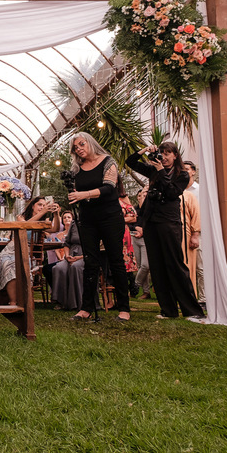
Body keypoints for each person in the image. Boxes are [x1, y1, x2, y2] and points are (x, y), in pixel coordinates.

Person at [126, 142, 204, 321]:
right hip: (151, 222)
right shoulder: (153, 170)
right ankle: (168, 310)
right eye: (162, 153)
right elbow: (131, 162)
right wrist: (145, 150)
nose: (165, 157)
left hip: (169, 222)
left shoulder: (182, 174)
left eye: (168, 153)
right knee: (157, 266)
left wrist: (161, 171)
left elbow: (171, 193)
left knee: (175, 264)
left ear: (175, 155)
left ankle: (192, 310)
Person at [65, 132, 127, 322]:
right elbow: (76, 191)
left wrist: (84, 195)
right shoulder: (77, 168)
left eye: (81, 144)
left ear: (90, 142)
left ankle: (124, 309)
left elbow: (109, 188)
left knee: (116, 260)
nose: (79, 149)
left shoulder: (108, 161)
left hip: (110, 217)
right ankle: (86, 308)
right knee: (90, 263)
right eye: (75, 147)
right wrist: (73, 194)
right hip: (88, 219)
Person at [0, 197, 61, 305]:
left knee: (18, 266)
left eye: (44, 205)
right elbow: (25, 226)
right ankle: (13, 302)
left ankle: (21, 301)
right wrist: (43, 211)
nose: (42, 207)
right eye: (40, 205)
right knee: (8, 264)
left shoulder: (42, 223)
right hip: (11, 250)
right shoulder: (21, 217)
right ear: (33, 206)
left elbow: (55, 229)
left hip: (27, 253)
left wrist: (56, 214)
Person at [49, 210, 85, 311]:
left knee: (75, 267)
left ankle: (77, 303)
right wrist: (67, 255)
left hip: (85, 256)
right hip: (71, 254)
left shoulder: (93, 224)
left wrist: (79, 257)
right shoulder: (74, 224)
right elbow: (67, 243)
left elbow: (96, 247)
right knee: (58, 268)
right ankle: (61, 302)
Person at [182, 161, 204, 303]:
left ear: (193, 171)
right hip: (183, 233)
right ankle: (189, 298)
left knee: (200, 267)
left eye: (187, 169)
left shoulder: (200, 190)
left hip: (198, 232)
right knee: (185, 266)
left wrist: (196, 233)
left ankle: (203, 299)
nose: (184, 171)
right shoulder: (178, 189)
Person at [131, 186, 151, 299]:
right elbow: (129, 223)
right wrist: (136, 228)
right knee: (139, 266)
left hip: (145, 239)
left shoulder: (149, 209)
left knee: (145, 265)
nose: (141, 197)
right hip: (135, 238)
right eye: (139, 195)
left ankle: (135, 285)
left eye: (143, 195)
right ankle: (146, 292)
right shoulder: (134, 209)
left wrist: (143, 230)